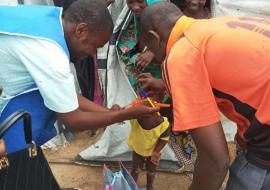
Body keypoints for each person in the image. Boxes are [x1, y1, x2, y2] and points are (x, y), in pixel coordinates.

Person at [139, 2, 270, 190]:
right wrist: (165, 86)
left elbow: (215, 159)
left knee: (247, 174)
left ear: (154, 38)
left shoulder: (180, 54)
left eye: (149, 46)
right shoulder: (212, 26)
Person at [0, 0, 159, 153]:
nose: (91, 54)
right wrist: (124, 115)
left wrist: (106, 112)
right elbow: (72, 120)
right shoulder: (51, 53)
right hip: (9, 99)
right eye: (94, 46)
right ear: (81, 30)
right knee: (11, 158)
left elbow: (65, 94)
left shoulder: (54, 19)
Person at [127, 99, 170, 190]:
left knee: (151, 170)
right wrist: (118, 108)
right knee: (135, 169)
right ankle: (132, 186)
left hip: (153, 152)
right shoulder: (135, 118)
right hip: (138, 150)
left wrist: (156, 152)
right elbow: (124, 112)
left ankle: (149, 186)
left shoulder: (163, 124)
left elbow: (164, 139)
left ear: (154, 113)